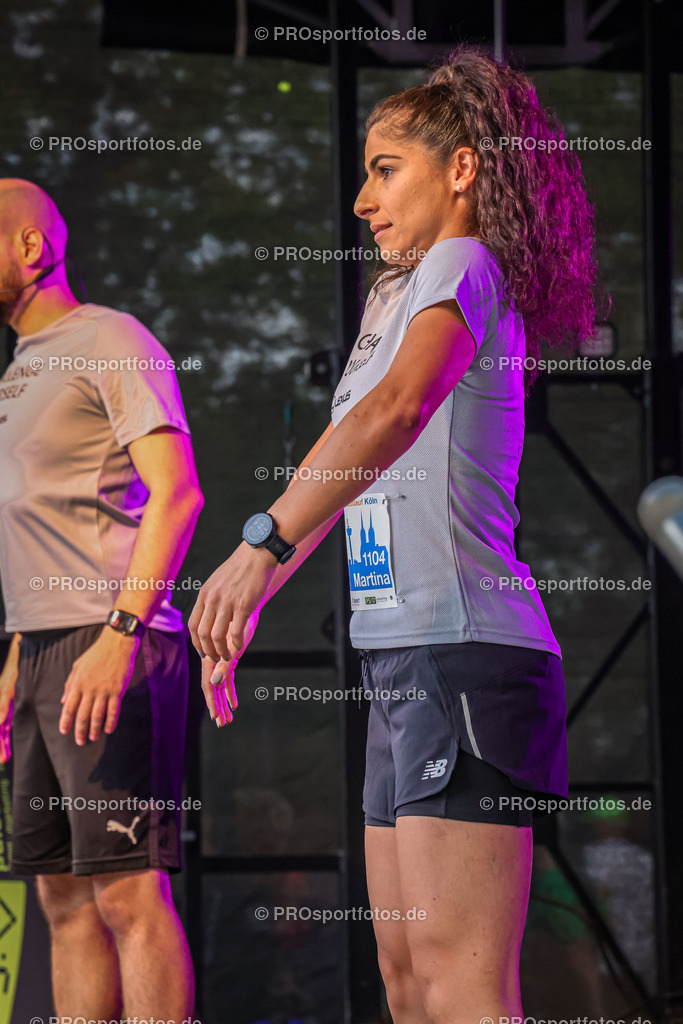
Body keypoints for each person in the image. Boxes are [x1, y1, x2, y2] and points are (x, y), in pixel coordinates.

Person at [189, 45, 600, 1024]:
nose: (361, 202)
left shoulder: (462, 264)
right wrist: (257, 578)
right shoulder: (391, 294)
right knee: (409, 985)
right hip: (397, 656)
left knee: (461, 994)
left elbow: (395, 413)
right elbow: (351, 458)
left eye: (383, 169)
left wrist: (256, 550)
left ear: (461, 168)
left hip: (468, 651)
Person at [0, 179, 202, 1021]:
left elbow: (178, 492)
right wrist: (15, 664)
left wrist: (120, 633)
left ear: (30, 248)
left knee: (126, 897)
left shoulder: (110, 338)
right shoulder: (19, 368)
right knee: (62, 902)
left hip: (114, 639)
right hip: (43, 648)